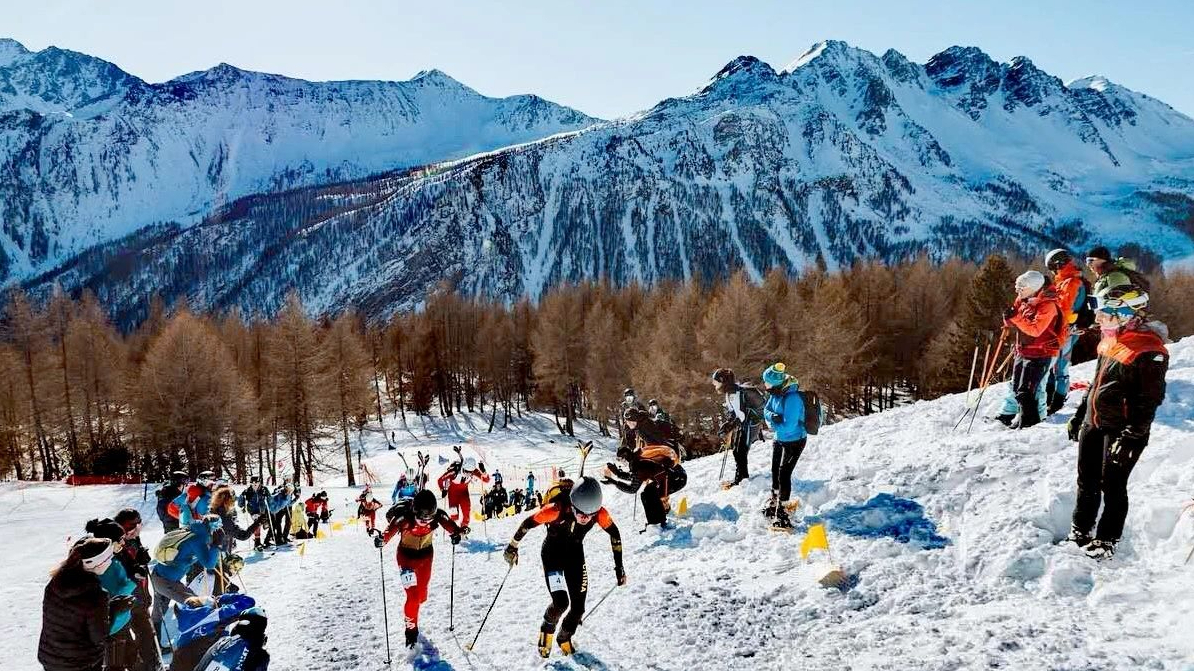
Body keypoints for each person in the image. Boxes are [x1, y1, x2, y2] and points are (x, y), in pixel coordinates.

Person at [1066, 279, 1168, 560]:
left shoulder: (1149, 349)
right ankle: (1080, 530)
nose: (1098, 319)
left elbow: (1149, 400)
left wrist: (1132, 436)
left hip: (1122, 430)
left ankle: (1106, 540)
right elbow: (1096, 383)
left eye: (1104, 314)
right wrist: (1080, 414)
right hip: (1094, 422)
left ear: (1124, 315)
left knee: (1112, 485)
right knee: (1086, 480)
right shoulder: (1109, 340)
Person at [504, 477, 626, 658]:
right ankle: (547, 630)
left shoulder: (599, 513)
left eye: (590, 515)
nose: (585, 518)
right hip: (552, 555)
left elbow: (615, 534)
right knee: (561, 603)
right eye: (581, 513)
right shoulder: (555, 510)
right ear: (573, 505)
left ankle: (564, 637)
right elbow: (528, 523)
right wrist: (512, 547)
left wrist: (619, 567)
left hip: (575, 556)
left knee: (578, 608)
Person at [373, 490, 464, 648]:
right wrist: (381, 540)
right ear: (415, 511)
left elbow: (452, 527)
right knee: (413, 597)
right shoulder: (404, 517)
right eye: (421, 518)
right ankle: (411, 632)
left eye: (429, 518)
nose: (425, 521)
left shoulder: (438, 515)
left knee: (422, 597)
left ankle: (412, 613)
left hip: (426, 558)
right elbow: (388, 533)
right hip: (406, 558)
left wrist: (457, 534)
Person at [38, 537, 121, 671]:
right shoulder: (95, 595)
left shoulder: (56, 583)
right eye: (109, 558)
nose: (111, 562)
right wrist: (115, 610)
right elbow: (99, 637)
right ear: (98, 564)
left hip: (51, 658)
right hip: (80, 662)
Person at [995, 271, 1063, 429]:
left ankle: (1030, 423)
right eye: (1017, 287)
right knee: (1017, 388)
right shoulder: (1023, 300)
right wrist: (1008, 318)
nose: (1017, 291)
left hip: (1041, 352)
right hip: (1024, 350)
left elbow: (1035, 330)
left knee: (1028, 391)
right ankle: (1023, 419)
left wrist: (1015, 318)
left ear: (1033, 288)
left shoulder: (1048, 305)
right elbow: (1017, 321)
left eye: (1021, 288)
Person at [604, 407, 687, 528]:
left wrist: (614, 481)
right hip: (673, 471)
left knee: (650, 494)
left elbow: (632, 488)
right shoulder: (639, 454)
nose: (628, 424)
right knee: (650, 491)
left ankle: (659, 521)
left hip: (674, 475)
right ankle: (659, 519)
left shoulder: (644, 428)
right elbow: (636, 477)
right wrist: (617, 473)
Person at [150, 514, 223, 646]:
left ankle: (154, 648)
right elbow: (209, 564)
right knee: (197, 604)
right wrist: (216, 545)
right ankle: (197, 642)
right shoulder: (198, 539)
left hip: (160, 576)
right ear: (213, 528)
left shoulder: (194, 530)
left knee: (158, 614)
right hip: (167, 582)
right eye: (219, 527)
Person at [82, 519, 140, 671]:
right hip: (112, 626)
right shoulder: (103, 567)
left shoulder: (113, 559)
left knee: (132, 658)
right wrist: (132, 582)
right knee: (115, 665)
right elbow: (113, 597)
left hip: (122, 620)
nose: (123, 542)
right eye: (120, 539)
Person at [759, 363, 807, 529]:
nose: (764, 385)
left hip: (794, 440)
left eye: (767, 382)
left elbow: (789, 426)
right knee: (775, 471)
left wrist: (772, 423)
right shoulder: (775, 394)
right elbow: (766, 410)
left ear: (775, 383)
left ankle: (783, 512)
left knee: (784, 474)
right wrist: (773, 416)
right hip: (779, 439)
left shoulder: (792, 398)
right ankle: (774, 502)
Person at [113, 508, 162, 671]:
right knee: (133, 640)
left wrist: (141, 556)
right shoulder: (115, 547)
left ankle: (150, 664)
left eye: (139, 525)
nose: (136, 531)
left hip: (140, 597)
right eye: (133, 527)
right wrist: (135, 567)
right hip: (126, 601)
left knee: (146, 635)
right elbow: (118, 577)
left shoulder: (133, 539)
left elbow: (138, 567)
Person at [1044, 250, 1090, 415]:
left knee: (1060, 366)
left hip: (1067, 330)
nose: (1053, 273)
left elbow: (1065, 308)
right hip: (1060, 329)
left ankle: (1057, 401)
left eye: (1052, 269)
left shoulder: (1072, 283)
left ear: (1058, 265)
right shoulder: (1064, 280)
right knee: (1052, 365)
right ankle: (1048, 398)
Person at [711, 368, 768, 488]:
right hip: (744, 423)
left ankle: (741, 479)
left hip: (751, 423)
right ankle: (741, 477)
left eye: (716, 382)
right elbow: (733, 412)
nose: (715, 385)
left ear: (723, 381)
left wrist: (730, 426)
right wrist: (727, 424)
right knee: (737, 450)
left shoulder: (738, 393)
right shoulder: (729, 394)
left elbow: (741, 415)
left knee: (740, 451)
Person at [437, 457, 489, 529]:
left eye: (470, 472)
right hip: (453, 494)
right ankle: (453, 530)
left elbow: (486, 480)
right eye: (466, 471)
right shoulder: (454, 471)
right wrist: (443, 489)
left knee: (466, 514)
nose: (468, 474)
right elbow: (440, 480)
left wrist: (483, 471)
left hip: (464, 493)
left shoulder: (473, 471)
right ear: (463, 467)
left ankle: (463, 529)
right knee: (454, 516)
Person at [238, 477, 270, 550]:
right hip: (253, 510)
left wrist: (271, 505)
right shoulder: (248, 491)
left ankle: (261, 540)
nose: (255, 484)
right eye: (253, 483)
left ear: (259, 483)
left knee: (263, 525)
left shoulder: (263, 489)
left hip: (262, 510)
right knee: (257, 525)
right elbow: (240, 503)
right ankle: (257, 542)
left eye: (256, 483)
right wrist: (242, 497)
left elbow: (269, 499)